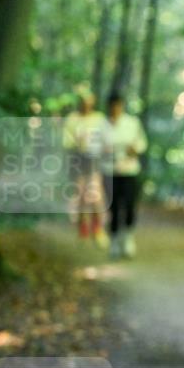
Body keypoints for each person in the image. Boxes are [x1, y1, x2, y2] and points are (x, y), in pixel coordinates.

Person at [62, 88, 110, 248]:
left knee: (95, 195)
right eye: (83, 100)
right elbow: (66, 141)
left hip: (94, 159)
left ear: (93, 101)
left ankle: (97, 230)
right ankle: (83, 232)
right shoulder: (72, 119)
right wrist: (77, 140)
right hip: (77, 159)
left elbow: (106, 139)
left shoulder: (99, 118)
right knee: (81, 195)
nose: (85, 103)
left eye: (88, 100)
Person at [103, 93, 148, 259]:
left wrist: (133, 149)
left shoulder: (132, 123)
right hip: (110, 172)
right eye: (112, 105)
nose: (115, 109)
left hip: (129, 171)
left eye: (118, 105)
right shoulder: (102, 125)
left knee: (129, 205)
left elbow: (142, 143)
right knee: (113, 208)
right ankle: (114, 240)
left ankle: (127, 237)